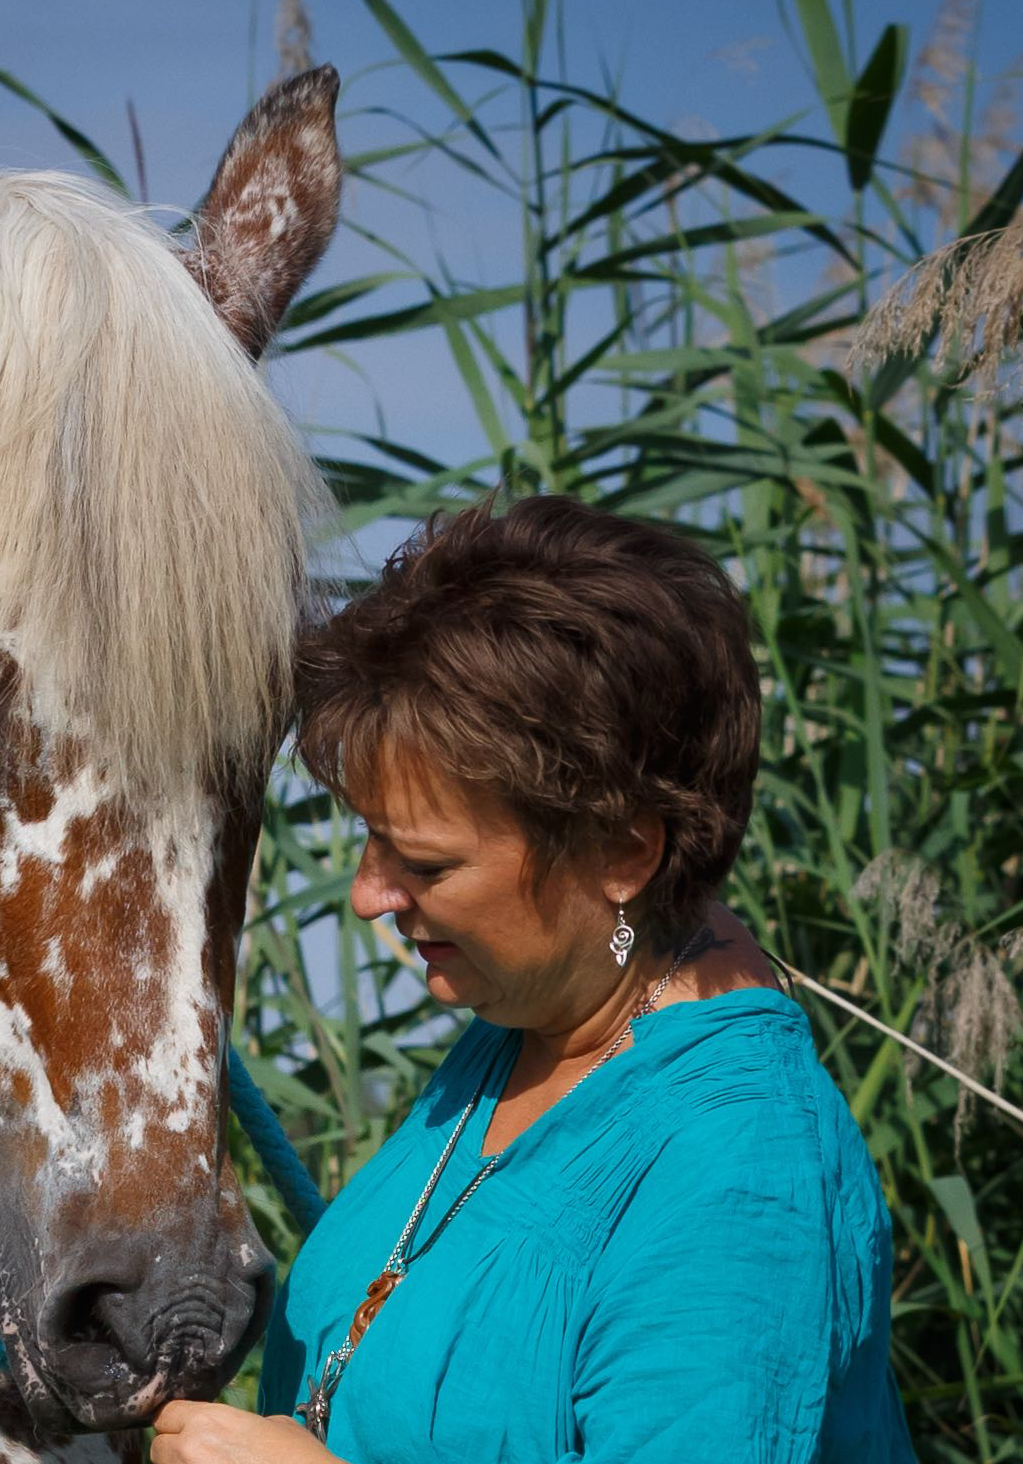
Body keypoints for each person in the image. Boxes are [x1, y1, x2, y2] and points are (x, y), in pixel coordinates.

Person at [152, 497, 913, 1462]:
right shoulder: (547, 1013)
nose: (368, 896)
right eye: (370, 840)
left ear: (622, 854)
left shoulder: (736, 1166)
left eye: (425, 866)